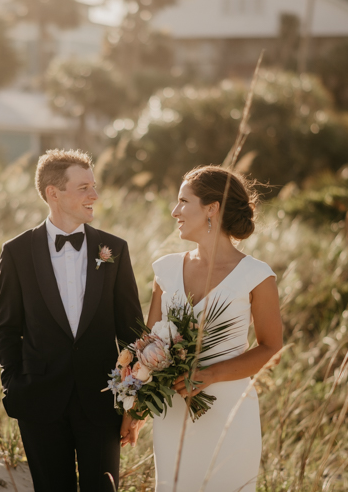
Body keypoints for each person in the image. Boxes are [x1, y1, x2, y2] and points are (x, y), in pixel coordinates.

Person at [121, 165, 282, 491]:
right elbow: (148, 347)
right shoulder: (165, 270)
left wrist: (211, 375)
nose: (174, 211)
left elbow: (271, 348)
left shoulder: (256, 275)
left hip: (229, 411)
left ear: (212, 208)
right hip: (172, 411)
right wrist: (135, 408)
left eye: (183, 201)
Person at [0, 149, 142, 492]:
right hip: (39, 400)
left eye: (94, 186)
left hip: (102, 402)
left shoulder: (113, 248)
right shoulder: (16, 251)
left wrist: (133, 401)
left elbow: (132, 330)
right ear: (53, 193)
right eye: (84, 188)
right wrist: (14, 385)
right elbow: (7, 327)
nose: (94, 195)